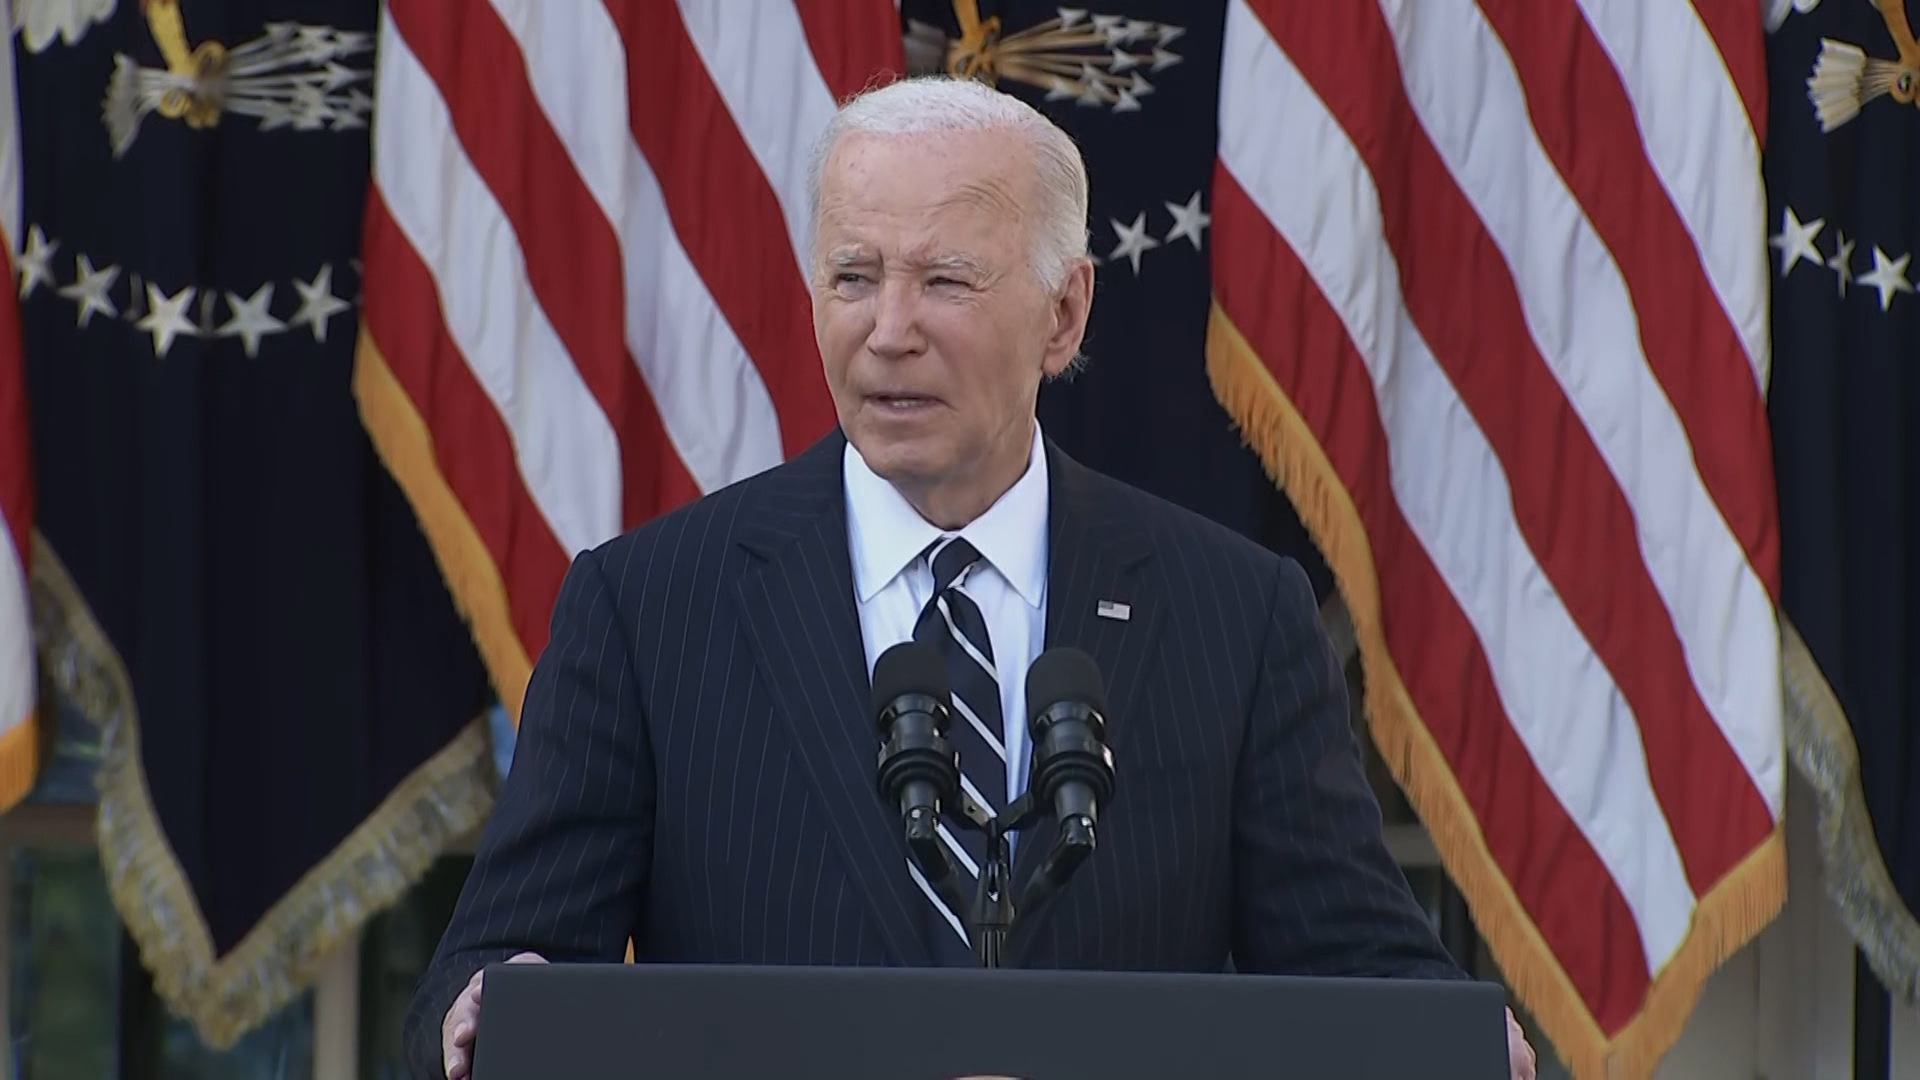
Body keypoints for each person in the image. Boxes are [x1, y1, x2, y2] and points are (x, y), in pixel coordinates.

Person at [405, 74, 1537, 1080]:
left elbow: (1359, 965)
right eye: (854, 277)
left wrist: (1456, 1036)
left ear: (1064, 312)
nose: (889, 330)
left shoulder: (1233, 614)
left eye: (944, 279)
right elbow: (494, 970)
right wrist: (479, 1012)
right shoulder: (648, 609)